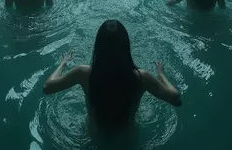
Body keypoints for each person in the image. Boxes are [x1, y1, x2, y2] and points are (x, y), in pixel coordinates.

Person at [43, 20, 181, 129]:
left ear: (98, 46)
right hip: (127, 140)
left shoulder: (83, 73)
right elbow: (175, 99)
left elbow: (48, 87)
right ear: (126, 46)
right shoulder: (141, 77)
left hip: (93, 137)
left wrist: (63, 63)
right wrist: (161, 74)